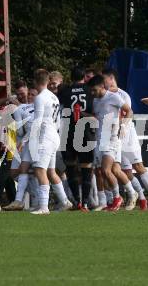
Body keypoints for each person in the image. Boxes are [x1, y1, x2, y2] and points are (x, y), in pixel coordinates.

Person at [103, 68, 148, 210]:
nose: (102, 82)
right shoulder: (104, 95)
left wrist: (123, 127)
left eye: (103, 79)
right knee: (125, 172)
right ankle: (140, 198)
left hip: (127, 135)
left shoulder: (122, 95)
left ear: (111, 79)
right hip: (113, 138)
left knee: (138, 166)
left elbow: (128, 113)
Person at [88, 75, 137, 212]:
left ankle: (117, 198)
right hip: (99, 138)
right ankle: (130, 193)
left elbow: (129, 111)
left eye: (94, 90)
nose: (93, 93)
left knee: (106, 170)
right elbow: (97, 117)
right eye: (91, 91)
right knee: (111, 171)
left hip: (112, 139)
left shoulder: (113, 97)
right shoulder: (96, 100)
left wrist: (124, 126)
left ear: (102, 87)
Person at [29, 69, 73, 215]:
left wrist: (30, 139)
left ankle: (43, 207)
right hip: (54, 135)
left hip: (45, 137)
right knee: (51, 171)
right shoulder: (54, 97)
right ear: (47, 81)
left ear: (35, 82)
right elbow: (58, 121)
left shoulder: (40, 98)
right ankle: (65, 201)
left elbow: (37, 121)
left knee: (39, 170)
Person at [58, 66, 95, 212]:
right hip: (86, 131)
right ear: (84, 76)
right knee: (86, 168)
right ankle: (85, 203)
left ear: (70, 77)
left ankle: (77, 201)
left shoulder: (64, 91)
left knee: (71, 167)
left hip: (69, 131)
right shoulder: (89, 90)